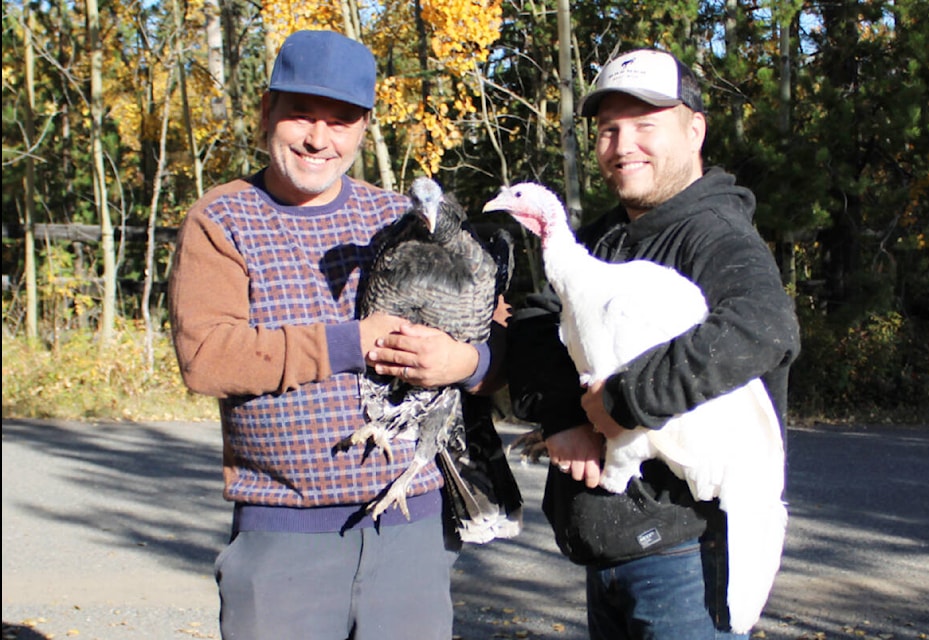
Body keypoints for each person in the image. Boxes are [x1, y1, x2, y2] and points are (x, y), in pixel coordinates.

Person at [168, 29, 504, 640]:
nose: (319, 139)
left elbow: (500, 330)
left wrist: (466, 361)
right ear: (268, 111)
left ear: (364, 127)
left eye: (341, 120)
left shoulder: (401, 218)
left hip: (410, 526)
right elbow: (207, 358)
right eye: (301, 115)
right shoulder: (221, 219)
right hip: (283, 533)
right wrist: (354, 340)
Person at [506, 48, 801, 639]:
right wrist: (566, 416)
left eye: (645, 125)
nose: (623, 145)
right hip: (611, 554)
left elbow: (762, 326)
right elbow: (536, 320)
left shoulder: (715, 236)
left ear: (695, 130)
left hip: (687, 558)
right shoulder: (605, 239)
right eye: (610, 129)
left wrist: (622, 401)